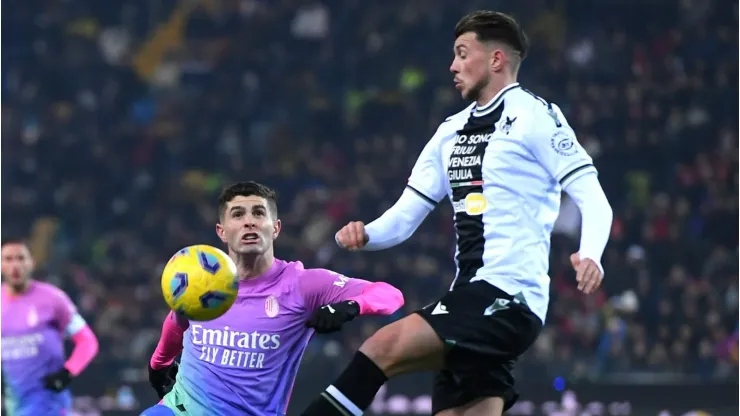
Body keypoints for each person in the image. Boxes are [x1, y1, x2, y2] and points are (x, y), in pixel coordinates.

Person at [301, 10, 613, 416]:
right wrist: (368, 234)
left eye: (463, 54)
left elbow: (592, 195)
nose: (453, 66)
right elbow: (406, 214)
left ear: (496, 59)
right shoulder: (449, 132)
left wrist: (591, 253)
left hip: (507, 298)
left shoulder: (535, 116)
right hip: (467, 296)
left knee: (382, 348)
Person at [140, 181, 404, 416]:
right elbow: (177, 320)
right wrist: (159, 363)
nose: (249, 221)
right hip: (177, 409)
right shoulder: (201, 277)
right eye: (238, 214)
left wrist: (351, 306)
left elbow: (390, 295)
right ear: (222, 231)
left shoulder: (302, 284)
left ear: (275, 228)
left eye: (258, 213)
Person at [1, 239, 100, 416]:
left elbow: (88, 341)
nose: (15, 265)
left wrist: (67, 373)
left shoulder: (53, 299)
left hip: (50, 404)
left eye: (21, 258)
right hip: (14, 404)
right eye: (8, 259)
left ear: (31, 262)